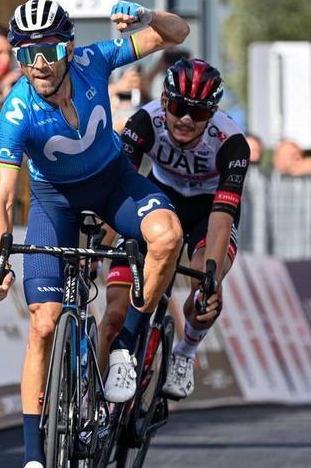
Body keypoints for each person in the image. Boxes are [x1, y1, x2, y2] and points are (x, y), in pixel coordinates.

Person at [0, 0, 189, 468]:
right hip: (55, 202)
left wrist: (148, 17)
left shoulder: (95, 60)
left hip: (114, 183)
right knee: (44, 322)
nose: (39, 65)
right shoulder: (17, 112)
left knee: (167, 236)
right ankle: (34, 457)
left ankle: (122, 347)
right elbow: (2, 199)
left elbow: (176, 34)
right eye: (26, 54)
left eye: (50, 52)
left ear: (69, 49)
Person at [101, 58, 249, 399]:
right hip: (156, 198)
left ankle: (185, 350)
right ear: (165, 101)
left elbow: (223, 213)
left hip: (208, 211)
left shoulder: (231, 143)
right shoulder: (145, 122)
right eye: (179, 107)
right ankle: (91, 400)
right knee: (114, 315)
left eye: (197, 113)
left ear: (211, 114)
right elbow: (117, 191)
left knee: (205, 287)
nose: (185, 119)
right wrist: (102, 243)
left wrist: (210, 274)